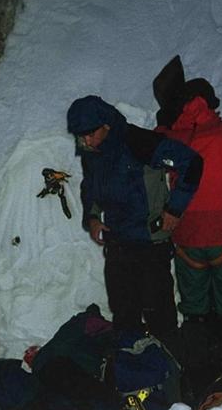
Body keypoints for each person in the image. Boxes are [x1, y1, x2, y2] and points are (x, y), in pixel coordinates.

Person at [153, 60, 222, 381]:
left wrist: (166, 122)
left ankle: (196, 371)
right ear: (212, 103)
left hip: (187, 237)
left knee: (194, 309)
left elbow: (155, 142)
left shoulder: (173, 138)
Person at [66, 95, 203, 354]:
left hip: (151, 245)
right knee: (124, 315)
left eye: (88, 134)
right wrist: (93, 217)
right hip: (118, 244)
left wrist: (174, 208)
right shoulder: (92, 152)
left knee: (159, 315)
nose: (84, 142)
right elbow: (90, 186)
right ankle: (133, 379)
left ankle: (171, 376)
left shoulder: (139, 142)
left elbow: (193, 163)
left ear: (105, 125)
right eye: (80, 136)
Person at [0, 304, 181, 410]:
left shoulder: (55, 358)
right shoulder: (55, 361)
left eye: (30, 355)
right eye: (30, 356)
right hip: (109, 382)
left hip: (105, 382)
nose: (28, 355)